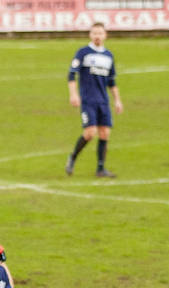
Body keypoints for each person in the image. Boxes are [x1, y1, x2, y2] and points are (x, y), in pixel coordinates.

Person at [65, 22, 123, 178]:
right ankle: (72, 157)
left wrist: (117, 100)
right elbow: (71, 74)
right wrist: (73, 94)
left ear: (105, 35)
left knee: (105, 133)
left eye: (100, 33)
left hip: (103, 100)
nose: (97, 36)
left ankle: (100, 169)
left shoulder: (108, 56)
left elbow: (111, 81)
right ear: (90, 35)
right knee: (90, 132)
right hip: (88, 99)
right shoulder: (83, 53)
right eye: (95, 33)